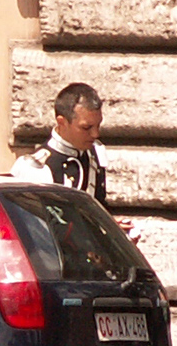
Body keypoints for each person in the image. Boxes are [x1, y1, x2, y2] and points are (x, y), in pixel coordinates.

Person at [12, 82, 138, 240]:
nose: (95, 134)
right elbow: (35, 234)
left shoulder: (95, 153)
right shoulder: (35, 168)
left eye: (98, 126)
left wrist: (113, 231)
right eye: (86, 128)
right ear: (62, 122)